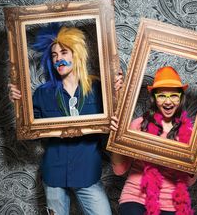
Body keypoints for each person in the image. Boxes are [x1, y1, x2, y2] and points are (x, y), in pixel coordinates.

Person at [9, 24, 123, 215]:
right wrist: (18, 104)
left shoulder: (99, 89)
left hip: (87, 172)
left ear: (76, 54)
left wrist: (119, 90)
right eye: (54, 55)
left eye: (64, 52)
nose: (59, 59)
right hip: (54, 173)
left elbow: (117, 118)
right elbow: (29, 132)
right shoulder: (42, 94)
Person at [110, 66, 197, 215]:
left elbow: (189, 181)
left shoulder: (191, 134)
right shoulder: (138, 124)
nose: (168, 102)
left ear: (180, 98)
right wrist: (116, 138)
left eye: (173, 95)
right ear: (154, 98)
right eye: (162, 95)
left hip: (172, 203)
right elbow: (119, 169)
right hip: (136, 198)